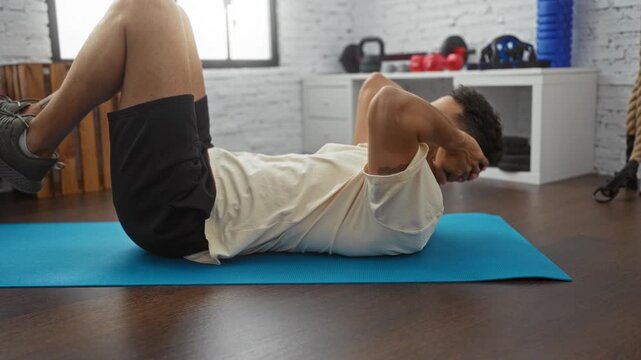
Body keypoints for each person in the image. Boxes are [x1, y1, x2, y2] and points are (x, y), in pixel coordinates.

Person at [0, 0, 502, 264]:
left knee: (146, 9)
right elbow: (376, 85)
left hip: (185, 213)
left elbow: (393, 104)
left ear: (462, 160)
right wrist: (446, 136)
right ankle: (35, 124)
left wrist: (453, 141)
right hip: (203, 175)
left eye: (433, 131)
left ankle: (31, 143)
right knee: (173, 13)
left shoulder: (408, 206)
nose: (423, 132)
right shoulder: (386, 171)